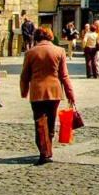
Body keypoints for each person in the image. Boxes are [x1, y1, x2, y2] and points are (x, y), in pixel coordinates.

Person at [19, 27, 76, 165]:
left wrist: (24, 90)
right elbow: (64, 75)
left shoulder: (31, 53)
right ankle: (47, 149)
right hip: (55, 91)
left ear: (36, 37)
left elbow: (25, 75)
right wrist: (70, 93)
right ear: (50, 36)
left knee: (39, 121)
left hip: (37, 91)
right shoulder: (59, 51)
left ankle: (44, 152)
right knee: (50, 121)